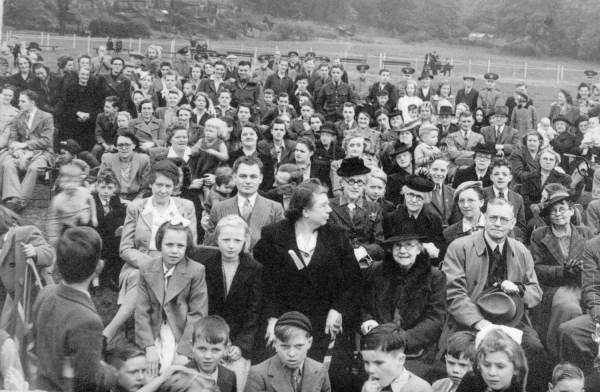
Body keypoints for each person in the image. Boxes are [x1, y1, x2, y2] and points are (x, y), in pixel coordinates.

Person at [253, 182, 361, 388]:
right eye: (323, 206)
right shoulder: (274, 235)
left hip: (324, 326)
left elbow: (353, 280)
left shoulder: (336, 235)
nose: (330, 209)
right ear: (305, 211)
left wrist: (338, 309)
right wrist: (272, 317)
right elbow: (264, 282)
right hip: (284, 323)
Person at [441, 198, 548, 392]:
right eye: (493, 218)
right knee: (469, 355)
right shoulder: (460, 247)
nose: (497, 223)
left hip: (512, 321)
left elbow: (535, 291)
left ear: (513, 223)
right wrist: (478, 322)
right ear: (484, 218)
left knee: (534, 348)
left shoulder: (521, 250)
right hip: (469, 319)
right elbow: (453, 293)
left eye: (503, 219)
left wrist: (520, 290)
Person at [103, 160, 197, 342]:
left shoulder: (186, 207)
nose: (163, 190)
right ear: (151, 184)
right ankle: (121, 331)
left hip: (176, 261)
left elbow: (190, 244)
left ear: (174, 186)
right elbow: (125, 248)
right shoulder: (136, 207)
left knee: (156, 278)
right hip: (140, 263)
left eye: (168, 186)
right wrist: (150, 264)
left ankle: (116, 331)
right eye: (159, 185)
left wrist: (169, 261)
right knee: (143, 276)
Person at [32, 227, 117, 392]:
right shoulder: (88, 320)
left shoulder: (46, 292)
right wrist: (111, 372)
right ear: (98, 267)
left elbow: (36, 342)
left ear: (58, 262)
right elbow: (89, 380)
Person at [361, 233, 447, 379]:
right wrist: (367, 320)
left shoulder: (435, 277)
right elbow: (363, 305)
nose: (402, 251)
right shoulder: (376, 271)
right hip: (377, 349)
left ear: (419, 248)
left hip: (416, 353)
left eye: (409, 245)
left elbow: (434, 320)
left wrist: (399, 340)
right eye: (398, 245)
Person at [136, 218, 208, 375]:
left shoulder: (196, 271)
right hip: (153, 329)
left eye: (180, 246)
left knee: (174, 371)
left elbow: (197, 314)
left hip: (181, 332)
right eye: (169, 244)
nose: (174, 251)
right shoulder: (146, 269)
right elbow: (142, 312)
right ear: (159, 244)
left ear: (187, 247)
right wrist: (149, 347)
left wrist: (183, 352)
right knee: (146, 372)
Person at [530, 191, 593, 359]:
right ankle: (561, 357)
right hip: (555, 287)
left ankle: (590, 357)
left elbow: (596, 262)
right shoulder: (540, 235)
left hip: (583, 283)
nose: (558, 214)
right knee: (569, 308)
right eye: (553, 211)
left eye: (562, 209)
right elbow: (536, 269)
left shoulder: (586, 232)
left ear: (572, 211)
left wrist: (582, 267)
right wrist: (563, 271)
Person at [203, 216, 262, 390]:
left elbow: (254, 311)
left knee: (238, 380)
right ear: (217, 240)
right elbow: (205, 307)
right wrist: (217, 343)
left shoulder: (254, 269)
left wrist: (241, 346)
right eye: (225, 240)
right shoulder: (207, 266)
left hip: (240, 339)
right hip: (212, 338)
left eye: (237, 240)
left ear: (245, 241)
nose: (231, 245)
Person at [202, 156, 284, 252]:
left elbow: (279, 248)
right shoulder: (218, 208)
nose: (248, 181)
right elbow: (210, 249)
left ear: (261, 178)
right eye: (243, 176)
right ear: (234, 177)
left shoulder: (275, 208)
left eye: (253, 176)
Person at [244, 311, 332, 392]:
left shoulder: (320, 370)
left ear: (309, 342)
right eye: (285, 346)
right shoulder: (258, 374)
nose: (291, 354)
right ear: (275, 343)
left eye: (298, 346)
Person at [1, 90, 55, 211]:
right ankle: (12, 197)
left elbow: (46, 141)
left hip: (42, 152)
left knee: (34, 168)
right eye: (19, 100)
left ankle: (20, 202)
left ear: (32, 103)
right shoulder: (17, 117)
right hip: (21, 152)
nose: (19, 103)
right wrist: (17, 150)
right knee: (8, 163)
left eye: (23, 101)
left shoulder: (46, 117)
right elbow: (12, 140)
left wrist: (24, 145)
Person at [328, 157, 384, 264]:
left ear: (364, 185)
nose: (355, 186)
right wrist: (350, 252)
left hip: (366, 261)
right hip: (338, 262)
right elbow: (325, 242)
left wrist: (362, 251)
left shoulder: (374, 207)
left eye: (360, 182)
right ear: (342, 182)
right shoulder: (329, 206)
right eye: (351, 181)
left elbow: (380, 246)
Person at [383, 174, 446, 264]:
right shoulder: (391, 218)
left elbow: (440, 247)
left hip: (427, 265)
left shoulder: (433, 220)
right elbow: (386, 248)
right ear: (404, 194)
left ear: (426, 199)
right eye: (410, 195)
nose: (413, 200)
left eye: (419, 197)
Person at [360, 323, 433, 392]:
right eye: (366, 362)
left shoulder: (420, 389)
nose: (370, 369)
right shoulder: (369, 383)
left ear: (400, 360)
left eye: (379, 363)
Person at [105, 337, 192, 392]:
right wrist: (163, 377)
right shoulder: (99, 387)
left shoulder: (147, 386)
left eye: (143, 370)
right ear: (113, 371)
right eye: (133, 372)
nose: (140, 377)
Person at [456, 328, 528, 392]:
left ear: (516, 368)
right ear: (478, 365)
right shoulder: (470, 381)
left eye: (500, 366)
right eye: (486, 365)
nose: (492, 373)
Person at [93, 169, 127, 289]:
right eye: (103, 187)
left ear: (115, 188)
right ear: (96, 187)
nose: (106, 191)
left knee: (118, 243)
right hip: (95, 234)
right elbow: (98, 221)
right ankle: (96, 277)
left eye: (109, 187)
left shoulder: (114, 199)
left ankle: (113, 276)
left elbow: (119, 218)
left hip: (110, 234)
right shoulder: (93, 200)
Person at [187, 316, 237, 392]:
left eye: (215, 350)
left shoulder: (230, 376)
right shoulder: (180, 376)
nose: (208, 356)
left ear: (226, 349)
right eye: (202, 349)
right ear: (192, 345)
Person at [521, 149, 572, 222]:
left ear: (555, 162)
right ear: (539, 160)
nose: (548, 162)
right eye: (545, 159)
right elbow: (525, 198)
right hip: (531, 213)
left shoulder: (564, 178)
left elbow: (564, 199)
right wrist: (535, 209)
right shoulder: (528, 177)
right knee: (532, 223)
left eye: (551, 159)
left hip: (554, 213)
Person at [99, 131, 152, 200]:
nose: (124, 148)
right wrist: (117, 202)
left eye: (127, 145)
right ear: (116, 146)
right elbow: (103, 184)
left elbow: (145, 188)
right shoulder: (107, 159)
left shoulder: (143, 160)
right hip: (114, 198)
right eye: (120, 145)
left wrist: (135, 203)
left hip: (136, 198)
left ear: (134, 145)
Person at [483, 158, 526, 241]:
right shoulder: (483, 194)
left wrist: (515, 243)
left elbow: (521, 228)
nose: (500, 177)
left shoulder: (518, 199)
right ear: (491, 177)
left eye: (504, 174)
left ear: (510, 178)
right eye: (496, 174)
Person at [62, 67, 102, 150]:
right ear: (78, 75)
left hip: (89, 123)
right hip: (74, 121)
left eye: (87, 75)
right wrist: (77, 113)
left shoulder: (94, 90)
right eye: (82, 74)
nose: (85, 76)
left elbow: (98, 107)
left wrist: (88, 115)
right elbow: (67, 105)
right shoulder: (71, 89)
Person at [427, 156, 456, 227]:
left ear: (447, 170)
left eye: (443, 170)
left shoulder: (453, 193)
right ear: (428, 168)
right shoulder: (420, 191)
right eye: (435, 169)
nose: (439, 174)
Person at [92, 95, 121, 161]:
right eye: (105, 106)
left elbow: (123, 134)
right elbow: (98, 134)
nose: (104, 109)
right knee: (96, 149)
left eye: (108, 107)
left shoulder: (122, 117)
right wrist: (104, 145)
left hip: (117, 144)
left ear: (116, 109)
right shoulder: (100, 117)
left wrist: (115, 145)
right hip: (103, 144)